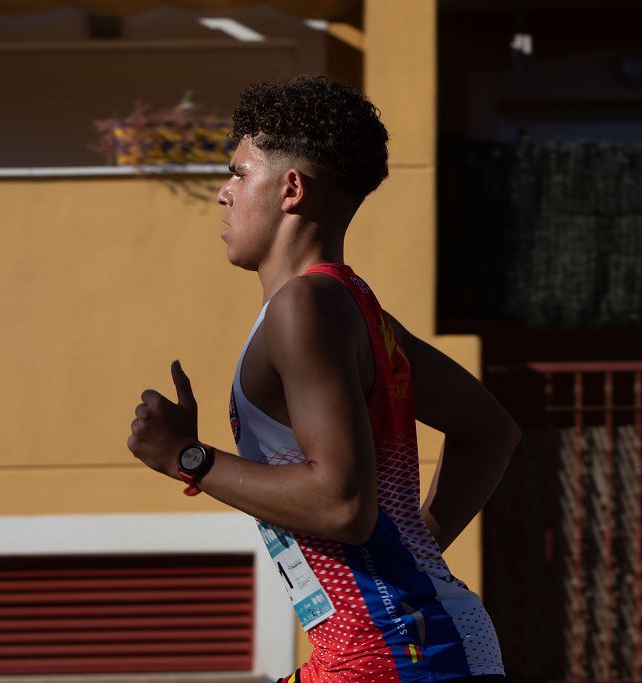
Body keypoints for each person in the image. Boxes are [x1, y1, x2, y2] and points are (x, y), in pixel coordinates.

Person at [127, 75, 519, 682]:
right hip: (407, 640)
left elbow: (343, 505)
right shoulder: (351, 306)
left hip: (394, 654)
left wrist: (187, 458)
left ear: (290, 188)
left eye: (239, 173)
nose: (223, 194)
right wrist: (414, 556)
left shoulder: (304, 306)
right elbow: (490, 431)